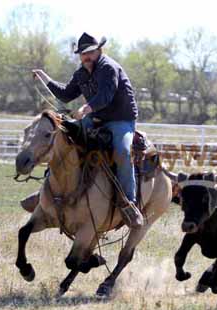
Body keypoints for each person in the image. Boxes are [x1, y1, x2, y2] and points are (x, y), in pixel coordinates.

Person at [32, 32, 143, 228]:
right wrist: (44, 77)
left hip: (121, 120)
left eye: (90, 52)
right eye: (83, 54)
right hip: (96, 118)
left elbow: (105, 96)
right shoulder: (81, 73)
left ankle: (129, 203)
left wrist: (85, 109)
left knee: (123, 152)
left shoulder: (109, 68)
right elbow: (66, 94)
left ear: (99, 51)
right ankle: (47, 191)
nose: (86, 57)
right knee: (65, 138)